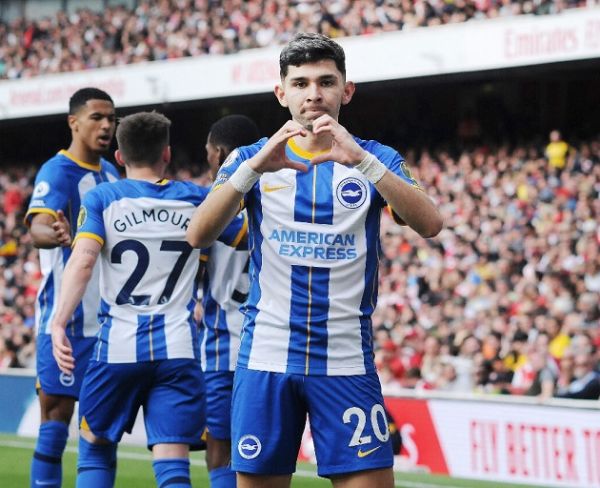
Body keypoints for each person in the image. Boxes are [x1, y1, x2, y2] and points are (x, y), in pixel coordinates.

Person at [187, 33, 443, 488]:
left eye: (326, 82)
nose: (314, 94)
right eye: (301, 83)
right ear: (281, 93)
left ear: (346, 91)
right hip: (266, 357)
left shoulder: (375, 157)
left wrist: (362, 162)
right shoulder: (251, 159)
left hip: (345, 361)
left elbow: (429, 223)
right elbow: (198, 233)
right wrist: (254, 168)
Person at [50, 111, 245, 488]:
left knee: (94, 448)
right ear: (167, 154)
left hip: (117, 349)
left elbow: (84, 260)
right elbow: (247, 238)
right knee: (172, 464)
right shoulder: (196, 198)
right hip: (178, 349)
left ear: (119, 157)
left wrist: (59, 322)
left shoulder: (104, 197)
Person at [25, 87, 119, 488]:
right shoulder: (57, 171)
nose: (106, 126)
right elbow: (37, 227)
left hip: (110, 326)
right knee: (55, 421)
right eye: (97, 117)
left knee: (100, 430)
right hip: (65, 323)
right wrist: (55, 233)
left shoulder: (114, 175)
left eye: (112, 119)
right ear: (74, 122)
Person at [200, 114, 260, 488]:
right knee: (262, 453)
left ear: (220, 154)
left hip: (222, 349)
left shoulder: (210, 215)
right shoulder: (278, 206)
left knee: (220, 448)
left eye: (208, 153)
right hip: (268, 348)